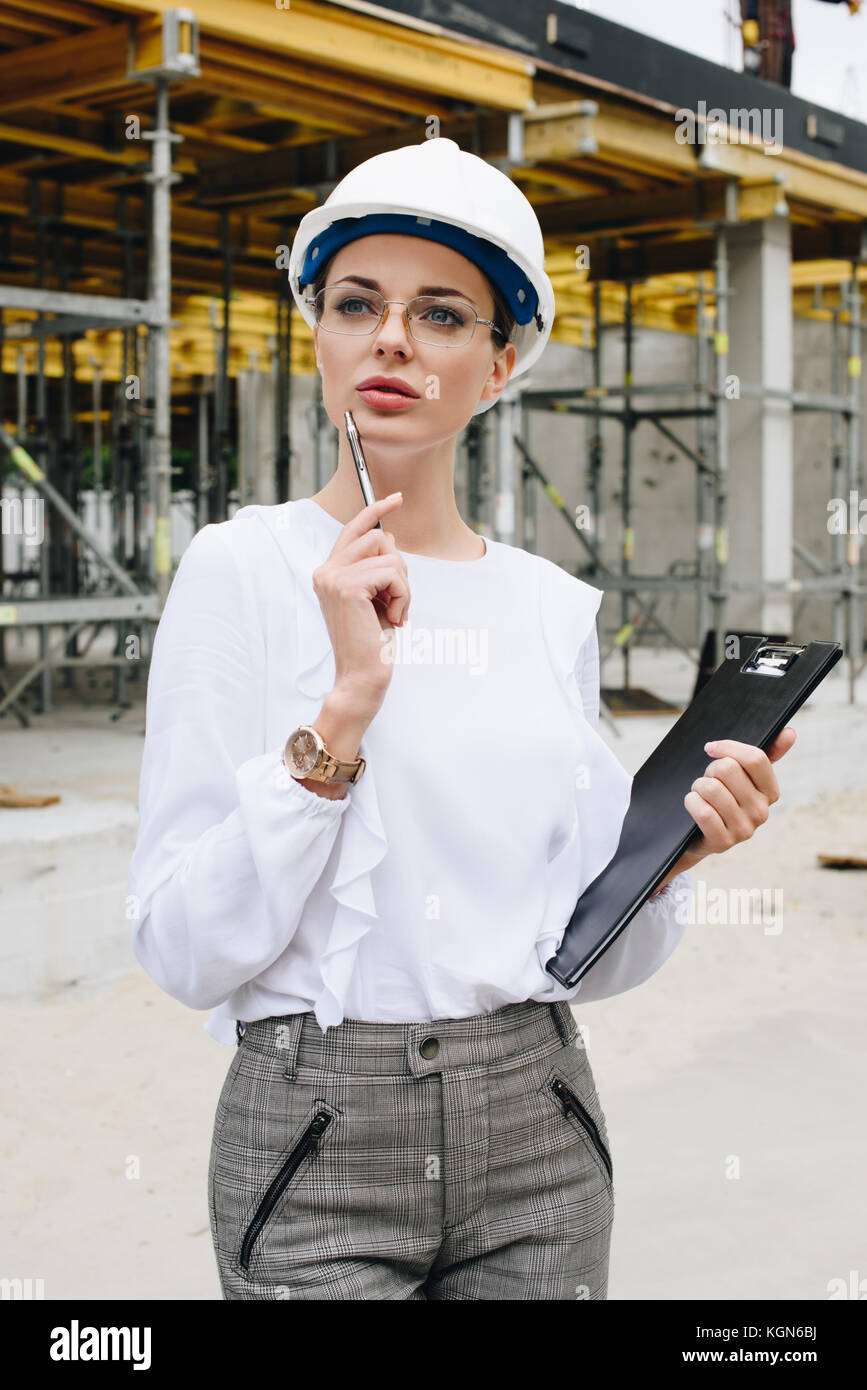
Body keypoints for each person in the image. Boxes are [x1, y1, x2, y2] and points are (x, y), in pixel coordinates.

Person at [127, 137, 796, 1300]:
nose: (390, 338)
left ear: (498, 367)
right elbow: (184, 948)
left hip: (539, 1128)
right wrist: (342, 715)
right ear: (321, 336)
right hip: (313, 1135)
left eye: (441, 313)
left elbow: (580, 962)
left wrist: (675, 855)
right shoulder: (241, 570)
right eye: (356, 304)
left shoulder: (548, 608)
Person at [740, 0, 862, 87]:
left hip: (783, 38)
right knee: (762, 90)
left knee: (780, 95)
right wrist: (750, 17)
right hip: (764, 34)